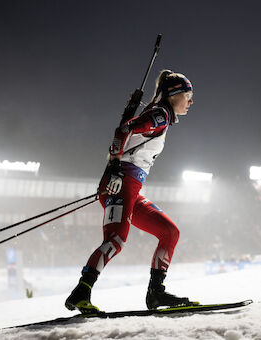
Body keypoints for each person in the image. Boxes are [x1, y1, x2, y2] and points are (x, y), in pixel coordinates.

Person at [65, 70, 195, 313]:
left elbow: (127, 129)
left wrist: (129, 110)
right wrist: (114, 166)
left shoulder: (160, 115)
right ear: (174, 94)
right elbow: (123, 130)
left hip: (130, 187)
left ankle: (156, 293)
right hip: (121, 182)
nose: (191, 101)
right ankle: (82, 291)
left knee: (169, 232)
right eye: (188, 95)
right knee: (116, 240)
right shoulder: (160, 116)